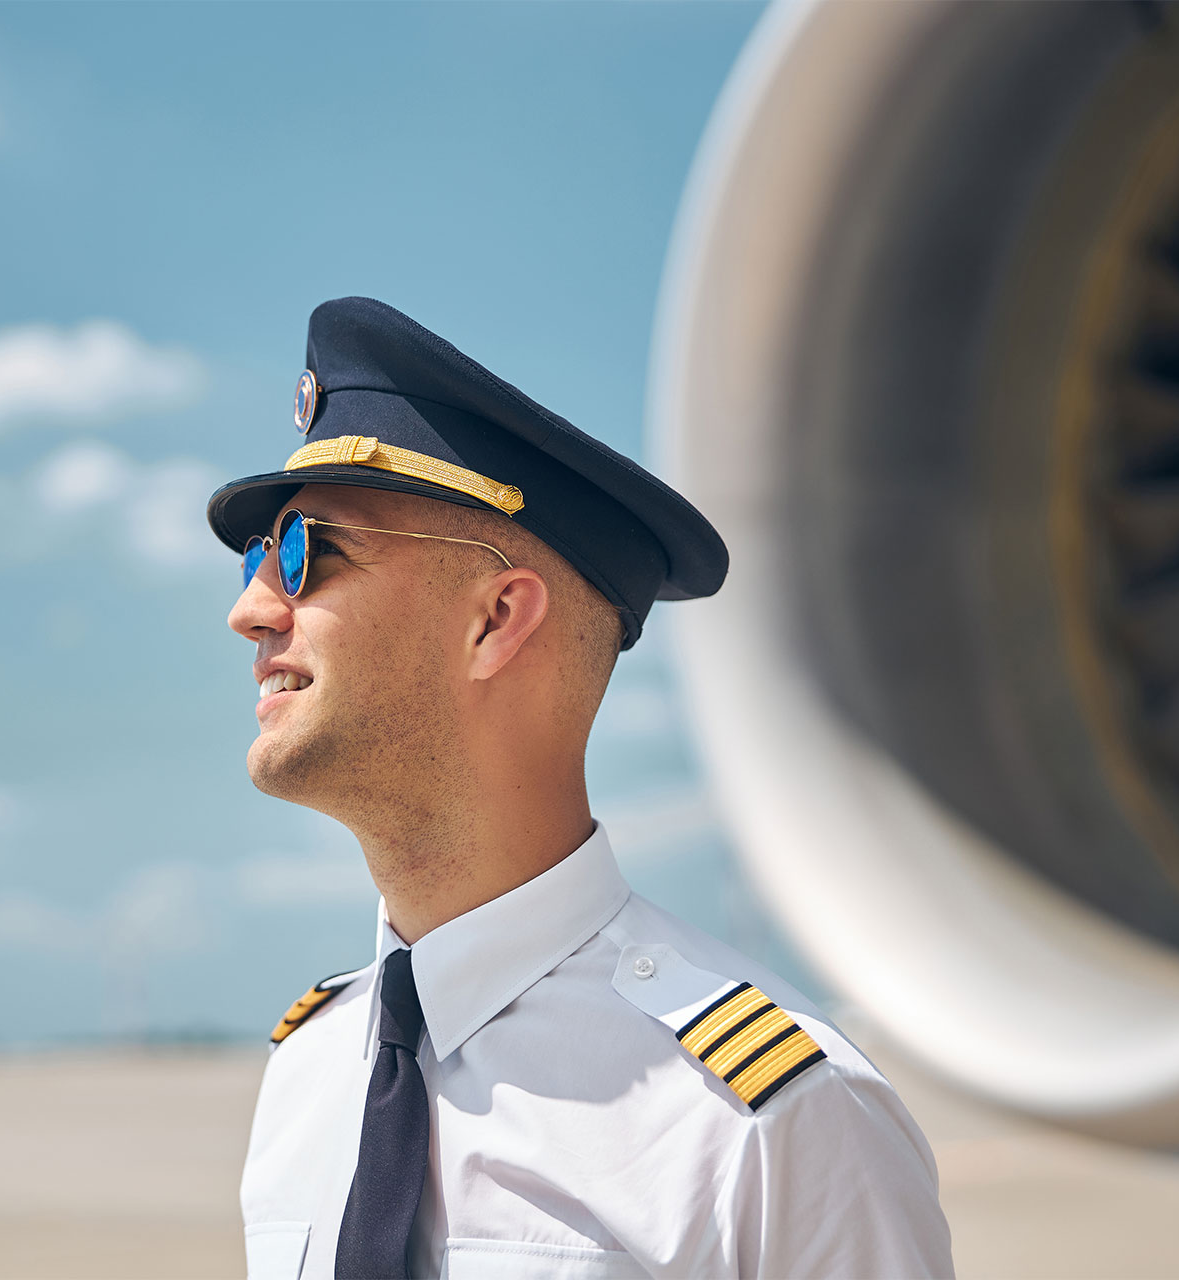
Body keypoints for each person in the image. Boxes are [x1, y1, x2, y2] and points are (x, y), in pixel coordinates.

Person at [209, 297, 953, 1279]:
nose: (250, 608)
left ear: (496, 618)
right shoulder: (309, 1071)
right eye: (262, 557)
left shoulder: (765, 1123)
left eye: (307, 551)